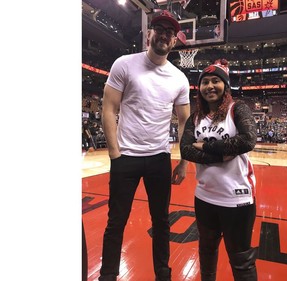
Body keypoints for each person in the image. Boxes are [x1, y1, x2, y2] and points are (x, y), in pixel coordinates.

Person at [98, 10, 191, 281]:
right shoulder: (124, 64)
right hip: (125, 157)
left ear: (175, 41)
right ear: (148, 33)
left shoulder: (179, 78)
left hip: (160, 158)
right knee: (116, 222)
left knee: (162, 222)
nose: (164, 35)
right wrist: (115, 154)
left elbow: (185, 121)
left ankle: (163, 274)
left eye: (170, 32)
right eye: (159, 29)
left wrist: (184, 161)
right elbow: (108, 108)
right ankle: (107, 275)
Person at [180, 59, 258, 281]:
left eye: (216, 81)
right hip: (204, 197)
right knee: (206, 253)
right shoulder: (195, 118)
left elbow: (247, 140)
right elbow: (185, 150)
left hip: (237, 199)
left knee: (241, 261)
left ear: (225, 86)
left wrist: (205, 146)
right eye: (205, 82)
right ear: (200, 88)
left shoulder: (237, 109)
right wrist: (221, 154)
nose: (210, 86)